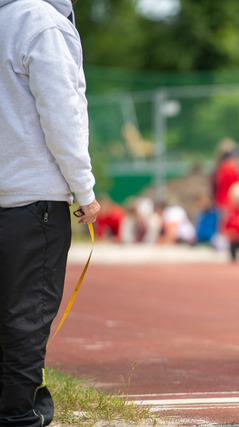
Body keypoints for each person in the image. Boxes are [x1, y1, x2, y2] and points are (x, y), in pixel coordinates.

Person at [0, 0, 101, 425]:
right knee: (27, 311)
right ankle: (18, 413)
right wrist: (84, 188)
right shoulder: (41, 22)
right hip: (33, 196)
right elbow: (62, 113)